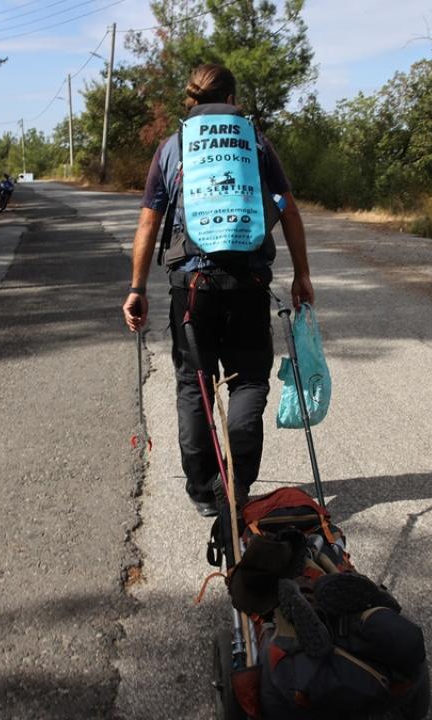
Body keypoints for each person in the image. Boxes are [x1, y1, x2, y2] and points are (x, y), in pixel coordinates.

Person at [121, 63, 314, 517]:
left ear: (190, 101)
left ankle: (204, 490)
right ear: (232, 100)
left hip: (191, 287)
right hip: (247, 282)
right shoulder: (255, 143)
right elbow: (287, 210)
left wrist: (136, 287)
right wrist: (302, 275)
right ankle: (239, 481)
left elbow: (149, 221)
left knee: (195, 384)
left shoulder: (173, 148)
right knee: (248, 380)